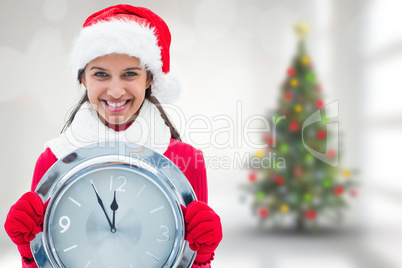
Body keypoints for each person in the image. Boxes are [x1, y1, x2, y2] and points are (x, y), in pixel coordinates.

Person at [4, 4, 222, 268]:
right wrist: (28, 250)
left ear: (149, 78)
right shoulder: (53, 160)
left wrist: (201, 256)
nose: (116, 90)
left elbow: (188, 260)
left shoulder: (185, 160)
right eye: (101, 74)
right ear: (83, 78)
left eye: (130, 73)